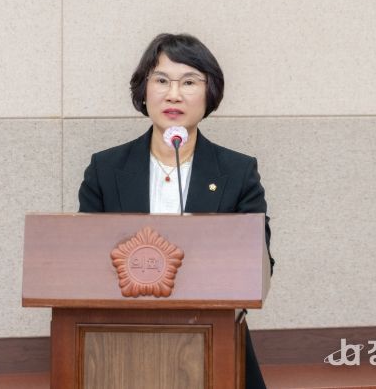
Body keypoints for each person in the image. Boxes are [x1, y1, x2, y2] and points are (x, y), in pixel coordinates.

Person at [78, 33, 274, 389]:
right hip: (119, 345)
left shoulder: (238, 172)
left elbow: (258, 264)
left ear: (209, 93)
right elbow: (83, 262)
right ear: (143, 90)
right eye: (162, 80)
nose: (174, 94)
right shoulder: (105, 170)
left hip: (212, 341)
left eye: (189, 82)